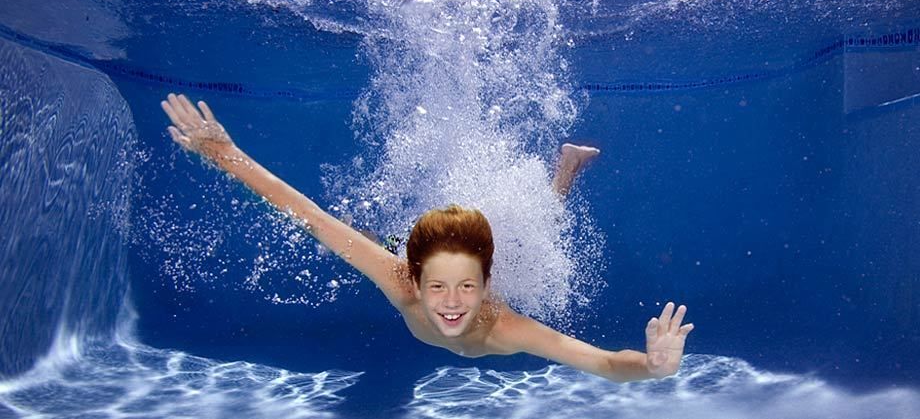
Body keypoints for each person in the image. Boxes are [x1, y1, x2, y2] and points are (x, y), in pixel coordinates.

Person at [161, 93, 694, 382]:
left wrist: (650, 368)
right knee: (347, 238)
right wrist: (222, 154)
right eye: (437, 287)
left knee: (538, 239)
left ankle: (567, 170)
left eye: (468, 287)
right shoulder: (399, 281)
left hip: (480, 266)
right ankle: (561, 171)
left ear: (486, 284)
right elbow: (309, 214)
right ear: (414, 279)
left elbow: (602, 362)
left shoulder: (506, 328)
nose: (454, 304)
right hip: (419, 253)